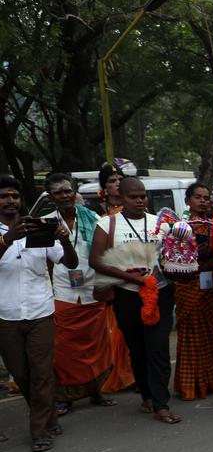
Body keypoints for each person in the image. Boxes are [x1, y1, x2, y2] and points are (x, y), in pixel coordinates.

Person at [90, 177, 182, 425]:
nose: (140, 200)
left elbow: (172, 256)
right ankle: (146, 395)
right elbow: (96, 261)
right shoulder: (107, 225)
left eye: (143, 196)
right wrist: (129, 277)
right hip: (127, 295)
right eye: (133, 196)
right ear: (120, 197)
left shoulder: (159, 224)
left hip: (160, 293)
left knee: (158, 347)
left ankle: (161, 404)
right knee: (138, 348)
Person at [0, 176, 79, 451]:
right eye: (4, 196)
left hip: (41, 311)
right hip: (6, 315)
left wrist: (66, 242)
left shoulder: (38, 227)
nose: (10, 201)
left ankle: (40, 431)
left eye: (14, 196)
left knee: (42, 372)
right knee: (21, 374)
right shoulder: (5, 232)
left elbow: (70, 262)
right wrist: (8, 239)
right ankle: (50, 415)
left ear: (21, 200)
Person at [43, 173, 117, 415]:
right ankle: (65, 397)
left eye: (67, 191)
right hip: (62, 292)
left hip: (91, 289)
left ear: (74, 192)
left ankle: (98, 390)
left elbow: (106, 253)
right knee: (64, 348)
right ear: (51, 197)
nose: (64, 195)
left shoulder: (94, 218)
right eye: (58, 192)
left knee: (96, 346)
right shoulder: (45, 223)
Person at [173, 183, 213, 401]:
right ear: (188, 200)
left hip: (212, 287)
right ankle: (192, 386)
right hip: (188, 286)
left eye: (206, 197)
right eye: (197, 197)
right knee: (191, 337)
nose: (202, 201)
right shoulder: (179, 228)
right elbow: (173, 260)